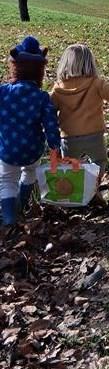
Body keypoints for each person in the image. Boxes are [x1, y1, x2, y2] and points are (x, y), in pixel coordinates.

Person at [51, 44, 109, 185]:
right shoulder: (96, 83)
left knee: (69, 166)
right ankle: (93, 187)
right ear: (90, 63)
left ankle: (75, 191)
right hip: (94, 135)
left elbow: (49, 108)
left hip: (69, 138)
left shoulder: (58, 89)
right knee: (99, 162)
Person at [0, 36, 61, 226]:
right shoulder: (42, 97)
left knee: (7, 179)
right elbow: (51, 124)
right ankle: (22, 203)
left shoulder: (3, 92)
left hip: (7, 148)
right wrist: (54, 145)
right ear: (40, 72)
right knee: (30, 172)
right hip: (32, 148)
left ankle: (9, 215)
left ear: (15, 67)